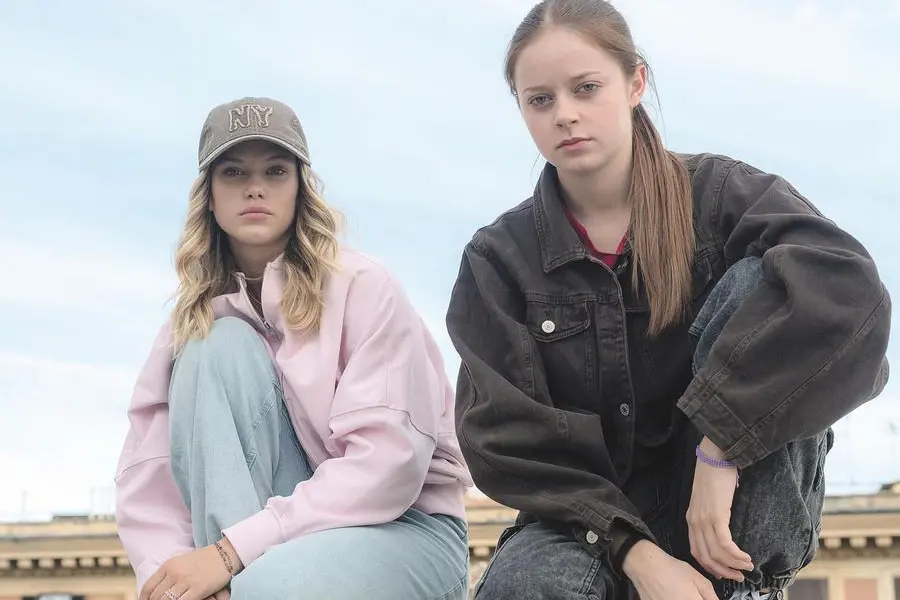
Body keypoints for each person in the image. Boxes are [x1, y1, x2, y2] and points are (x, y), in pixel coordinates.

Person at [445, 2, 891, 600]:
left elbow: (850, 300)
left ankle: (749, 588)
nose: (566, 115)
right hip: (585, 523)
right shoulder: (498, 260)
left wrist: (721, 445)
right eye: (540, 99)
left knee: (763, 282)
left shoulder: (725, 197)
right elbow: (502, 435)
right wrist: (635, 551)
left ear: (635, 82)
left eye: (586, 88)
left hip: (732, 512)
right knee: (524, 587)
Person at [114, 97, 472, 600]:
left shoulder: (366, 287)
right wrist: (176, 574)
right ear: (209, 197)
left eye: (275, 171)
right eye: (234, 172)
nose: (255, 187)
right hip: (260, 541)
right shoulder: (190, 321)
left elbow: (386, 467)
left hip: (405, 525)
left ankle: (240, 582)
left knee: (267, 588)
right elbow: (149, 477)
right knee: (212, 346)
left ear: (301, 188)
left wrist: (227, 555)